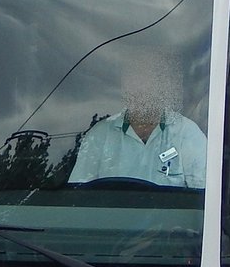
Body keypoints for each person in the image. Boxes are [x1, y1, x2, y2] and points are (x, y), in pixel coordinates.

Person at [69, 60, 207, 188]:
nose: (143, 91)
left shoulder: (187, 133)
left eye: (150, 83)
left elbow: (204, 196)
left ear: (163, 89)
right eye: (136, 84)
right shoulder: (100, 135)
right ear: (124, 90)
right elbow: (78, 195)